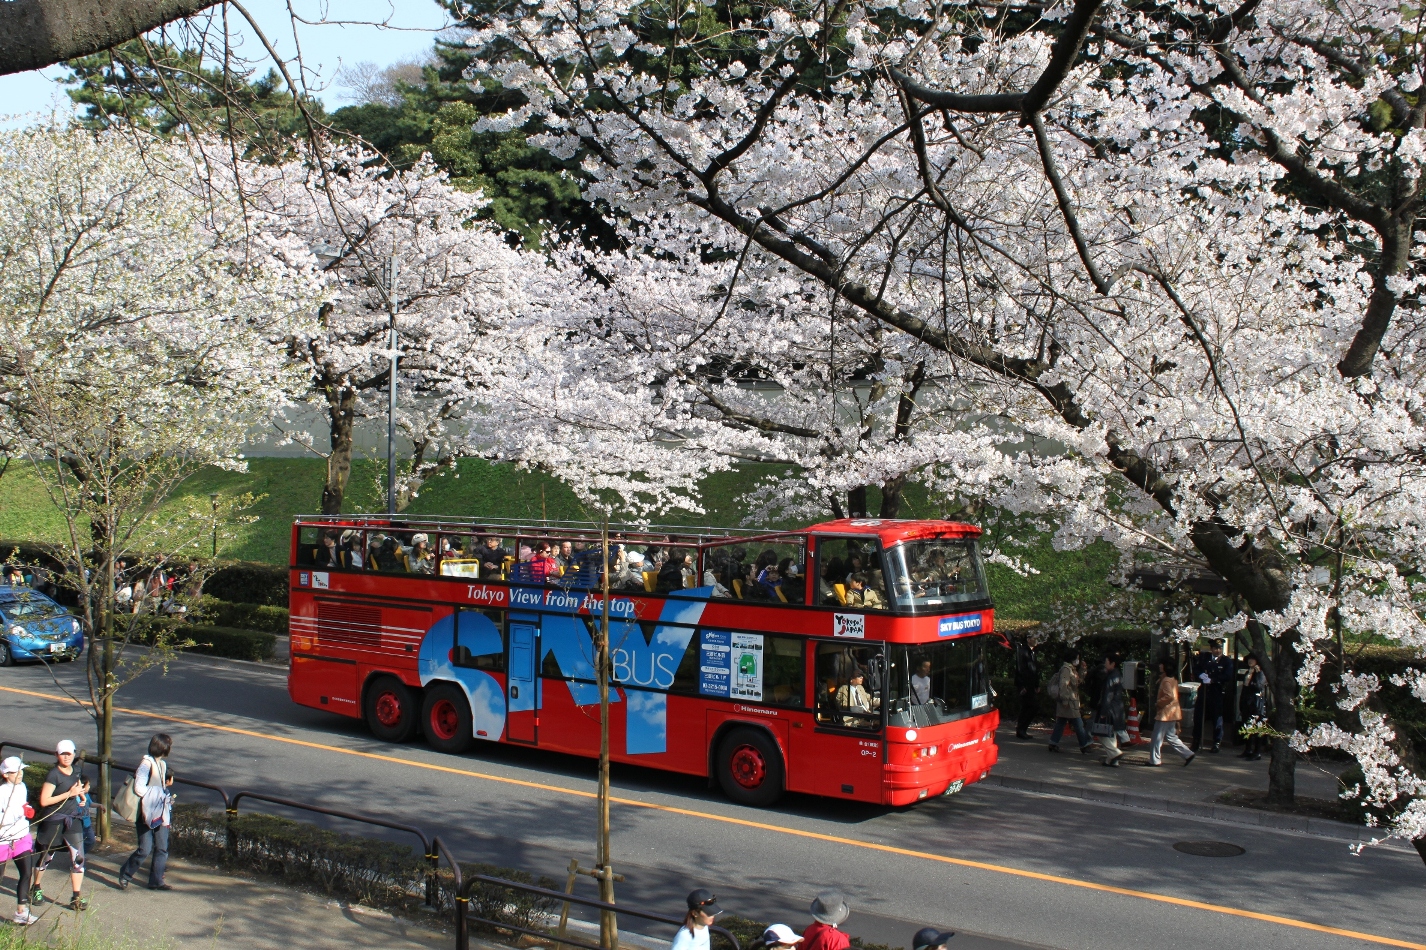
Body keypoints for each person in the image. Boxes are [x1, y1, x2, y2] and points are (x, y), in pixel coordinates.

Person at [34, 739, 88, 910]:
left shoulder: (77, 770)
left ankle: (76, 897)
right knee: (46, 857)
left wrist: (81, 797)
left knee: (78, 858)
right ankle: (35, 887)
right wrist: (68, 794)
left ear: (74, 754)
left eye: (69, 753)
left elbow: (79, 786)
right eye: (62, 754)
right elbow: (44, 800)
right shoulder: (53, 775)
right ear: (56, 755)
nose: (66, 757)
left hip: (73, 820)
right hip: (54, 820)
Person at [118, 734, 174, 891]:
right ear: (163, 747)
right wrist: (157, 794)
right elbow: (139, 788)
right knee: (145, 849)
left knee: (162, 847)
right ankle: (126, 874)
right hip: (146, 812)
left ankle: (156, 881)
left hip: (160, 811)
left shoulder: (162, 764)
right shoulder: (146, 763)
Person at [0, 757, 38, 925]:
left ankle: (21, 912)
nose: (20, 774)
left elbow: (23, 808)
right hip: (3, 839)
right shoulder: (2, 792)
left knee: (26, 872)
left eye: (21, 770)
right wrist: (18, 812)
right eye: (16, 771)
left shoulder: (22, 787)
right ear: (6, 774)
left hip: (21, 836)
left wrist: (27, 811)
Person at [1148, 660, 1195, 766]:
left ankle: (1154, 760)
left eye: (1162, 664)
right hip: (1173, 712)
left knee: (1157, 737)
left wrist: (1158, 703)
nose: (1160, 665)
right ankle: (1188, 754)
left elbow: (1169, 696)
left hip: (1165, 713)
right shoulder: (1172, 679)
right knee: (1171, 737)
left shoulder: (1166, 680)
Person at [1192, 639, 1233, 752]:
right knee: (1199, 716)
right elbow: (1196, 668)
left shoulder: (1226, 661)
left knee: (1217, 717)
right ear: (1211, 649)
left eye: (1220, 648)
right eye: (1215, 648)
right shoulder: (1204, 657)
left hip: (1216, 691)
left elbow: (1227, 675)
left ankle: (1216, 742)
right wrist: (1201, 675)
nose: (1218, 650)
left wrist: (1213, 680)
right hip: (1204, 690)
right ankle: (1196, 740)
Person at [1047, 651, 1092, 753]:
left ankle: (1053, 743)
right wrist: (1065, 699)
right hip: (1069, 701)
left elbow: (1077, 682)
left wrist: (1083, 670)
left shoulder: (1071, 669)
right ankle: (1084, 745)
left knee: (1061, 722)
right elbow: (1064, 685)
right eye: (1077, 658)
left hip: (1070, 700)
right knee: (1078, 723)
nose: (1078, 660)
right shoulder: (1066, 670)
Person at [1092, 654, 1127, 767]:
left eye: (1107, 662)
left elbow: (1107, 695)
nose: (1105, 664)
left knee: (1102, 735)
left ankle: (1115, 753)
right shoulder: (1118, 674)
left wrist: (1103, 712)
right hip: (1118, 709)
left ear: (1113, 663)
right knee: (1112, 735)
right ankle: (1111, 761)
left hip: (1110, 709)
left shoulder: (1110, 677)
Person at [1238, 653, 1268, 760]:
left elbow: (1259, 686)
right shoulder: (1248, 672)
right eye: (1249, 659)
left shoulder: (1260, 673)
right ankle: (1248, 749)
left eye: (1253, 659)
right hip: (1247, 702)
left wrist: (1252, 679)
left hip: (1256, 704)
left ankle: (1257, 751)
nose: (1250, 661)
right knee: (1247, 726)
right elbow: (1244, 687)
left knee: (1257, 727)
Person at [1013, 634, 1040, 740]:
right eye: (1034, 638)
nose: (1036, 640)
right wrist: (1021, 685)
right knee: (1032, 706)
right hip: (1025, 684)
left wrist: (1037, 684)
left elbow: (1035, 670)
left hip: (1031, 684)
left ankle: (1021, 729)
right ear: (1028, 639)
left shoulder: (1033, 653)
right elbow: (1020, 669)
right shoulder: (1023, 652)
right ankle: (1021, 729)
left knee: (1027, 707)